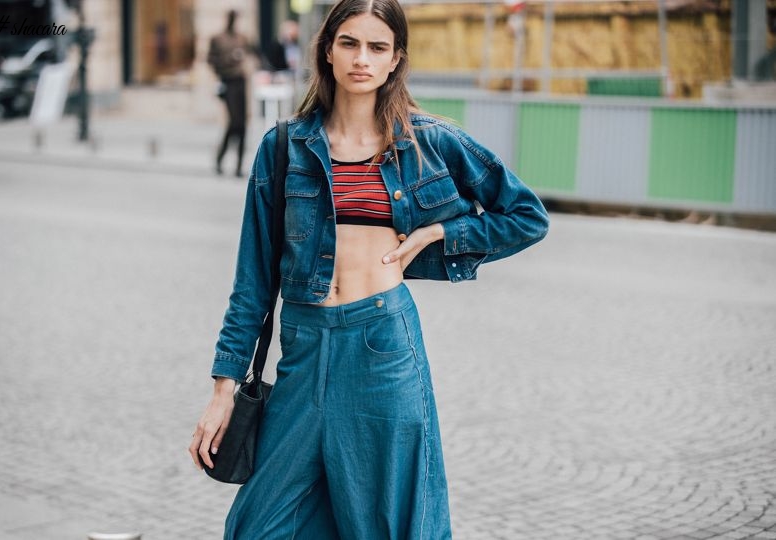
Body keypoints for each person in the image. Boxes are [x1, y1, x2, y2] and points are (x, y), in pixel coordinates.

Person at [189, 0, 549, 538]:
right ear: (328, 51)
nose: (362, 59)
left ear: (395, 59)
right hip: (304, 353)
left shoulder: (429, 143)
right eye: (350, 43)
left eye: (378, 47)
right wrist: (223, 388)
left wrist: (445, 233)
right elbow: (253, 283)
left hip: (382, 347)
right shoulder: (283, 148)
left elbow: (525, 215)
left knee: (390, 522)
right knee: (258, 527)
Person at [208, 9, 252, 177]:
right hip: (228, 82)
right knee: (235, 122)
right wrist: (228, 61)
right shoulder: (218, 39)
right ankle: (220, 158)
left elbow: (252, 52)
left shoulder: (241, 38)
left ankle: (238, 165)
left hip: (241, 81)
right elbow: (211, 60)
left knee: (241, 125)